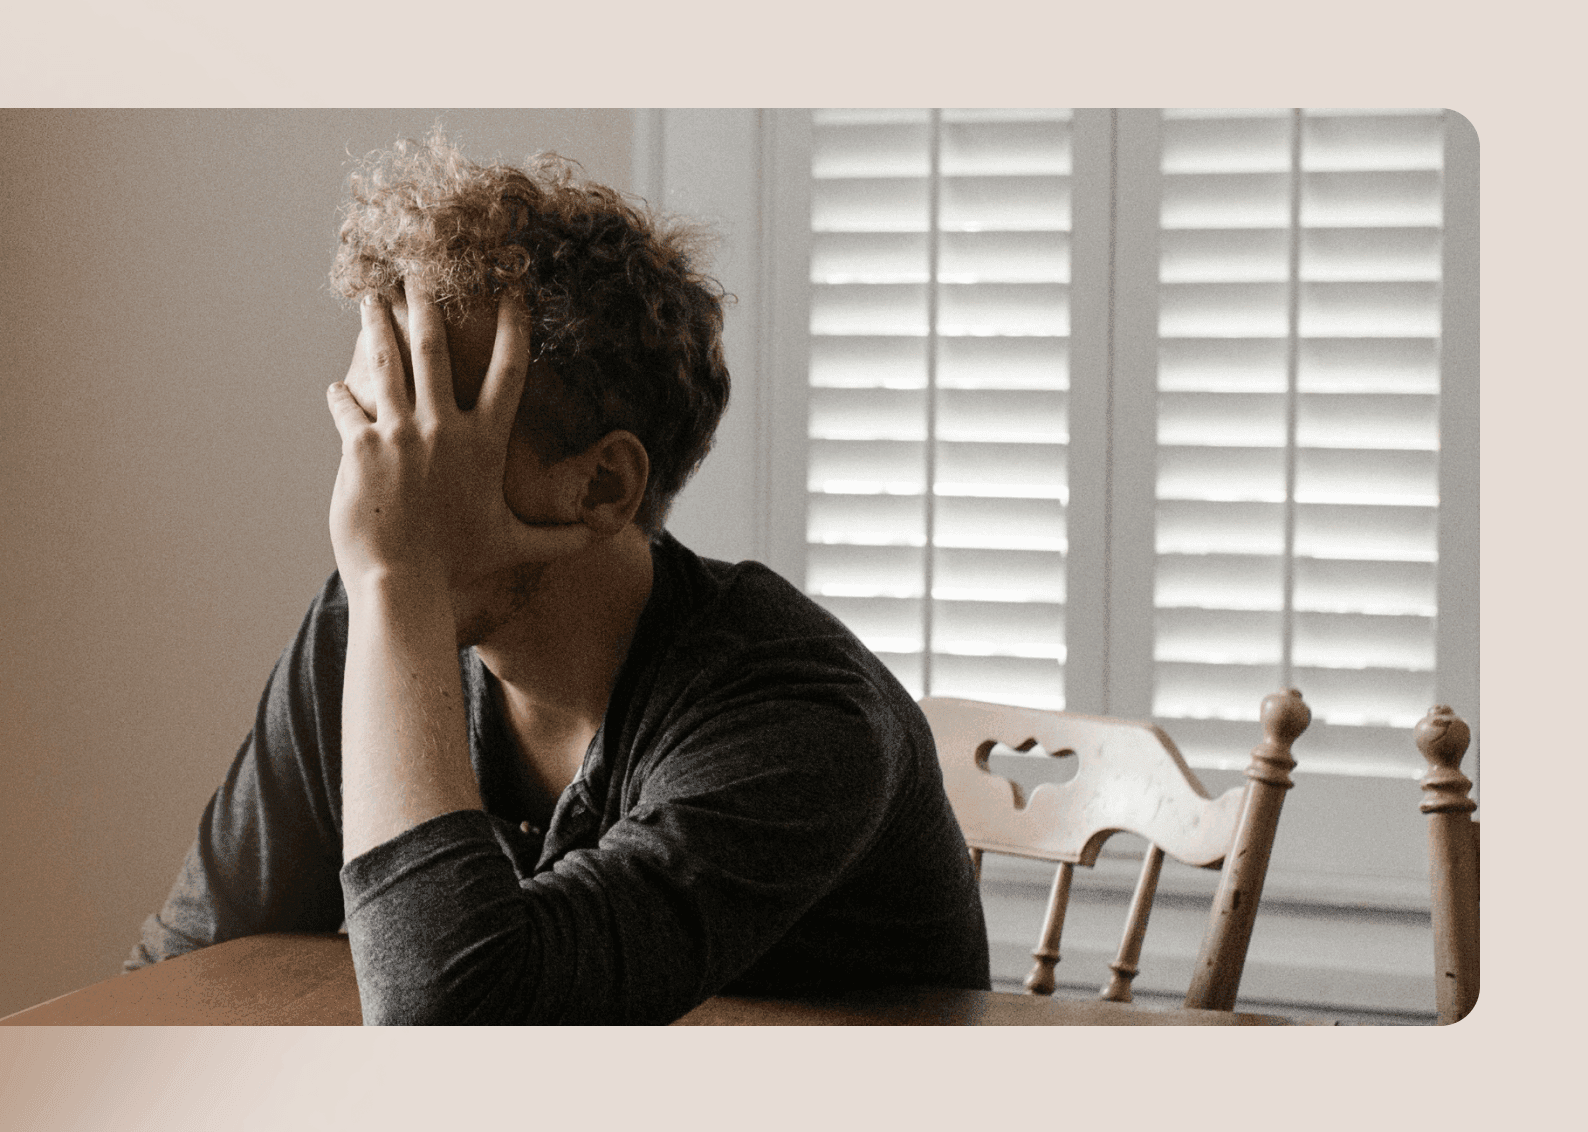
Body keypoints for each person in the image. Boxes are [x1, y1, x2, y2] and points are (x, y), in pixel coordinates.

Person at [125, 133, 989, 1024]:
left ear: (603, 485)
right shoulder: (366, 623)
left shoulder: (802, 717)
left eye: (430, 435)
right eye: (368, 432)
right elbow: (183, 977)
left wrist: (400, 582)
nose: (370, 492)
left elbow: (460, 1023)